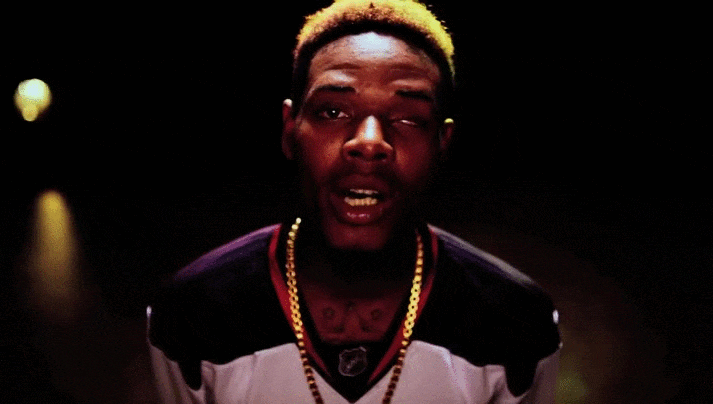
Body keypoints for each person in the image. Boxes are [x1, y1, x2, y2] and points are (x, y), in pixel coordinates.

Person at [147, 0, 561, 403]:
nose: (369, 142)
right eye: (333, 112)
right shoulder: (194, 312)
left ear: (442, 144)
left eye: (408, 118)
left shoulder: (515, 321)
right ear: (290, 130)